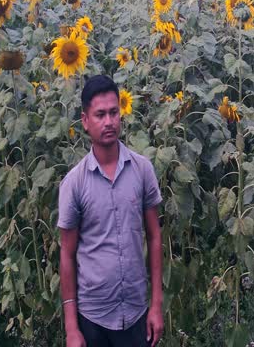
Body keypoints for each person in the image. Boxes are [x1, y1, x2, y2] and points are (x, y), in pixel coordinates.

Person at [58, 75, 164, 347]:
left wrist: (156, 305)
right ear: (85, 121)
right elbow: (67, 254)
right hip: (93, 318)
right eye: (100, 114)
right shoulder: (74, 182)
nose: (109, 122)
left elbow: (154, 237)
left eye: (114, 113)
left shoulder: (142, 170)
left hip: (136, 312)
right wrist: (72, 328)